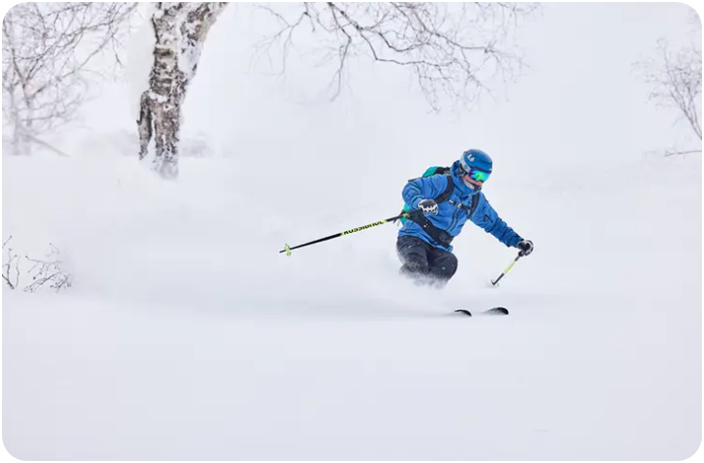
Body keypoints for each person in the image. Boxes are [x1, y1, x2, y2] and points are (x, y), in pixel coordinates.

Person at [397, 149, 533, 286]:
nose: (479, 182)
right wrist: (420, 202)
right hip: (414, 237)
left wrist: (518, 241)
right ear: (464, 169)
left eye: (484, 177)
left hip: (440, 247)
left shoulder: (475, 200)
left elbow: (494, 224)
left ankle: (425, 299)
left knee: (448, 263)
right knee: (418, 265)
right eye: (476, 175)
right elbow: (412, 188)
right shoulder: (443, 183)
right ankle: (399, 293)